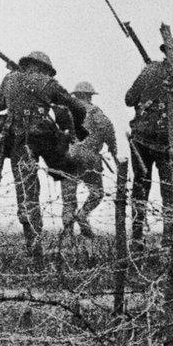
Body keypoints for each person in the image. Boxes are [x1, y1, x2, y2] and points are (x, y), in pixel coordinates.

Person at [0, 52, 86, 257]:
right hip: (45, 137)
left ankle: (34, 246)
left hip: (17, 138)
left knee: (26, 192)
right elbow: (77, 107)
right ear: (44, 68)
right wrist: (74, 130)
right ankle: (68, 220)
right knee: (68, 171)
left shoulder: (9, 79)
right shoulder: (48, 82)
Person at [125, 35, 173, 249]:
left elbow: (129, 99)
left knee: (140, 186)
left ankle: (137, 237)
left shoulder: (149, 70)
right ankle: (169, 240)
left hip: (140, 136)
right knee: (170, 189)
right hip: (168, 140)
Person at [60, 81, 118, 240]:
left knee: (68, 199)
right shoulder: (95, 112)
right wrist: (114, 152)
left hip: (68, 156)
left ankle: (67, 236)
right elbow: (109, 131)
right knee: (97, 193)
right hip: (90, 157)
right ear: (89, 96)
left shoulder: (66, 112)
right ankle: (83, 215)